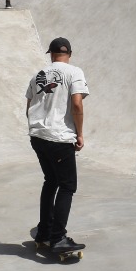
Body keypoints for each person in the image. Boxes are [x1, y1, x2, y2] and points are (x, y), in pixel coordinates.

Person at [26, 37, 89, 257]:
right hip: (59, 138)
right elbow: (77, 103)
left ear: (50, 54)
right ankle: (58, 237)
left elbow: (29, 105)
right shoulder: (74, 72)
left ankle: (44, 232)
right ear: (69, 54)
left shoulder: (38, 75)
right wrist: (79, 133)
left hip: (38, 136)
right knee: (67, 186)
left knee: (51, 180)